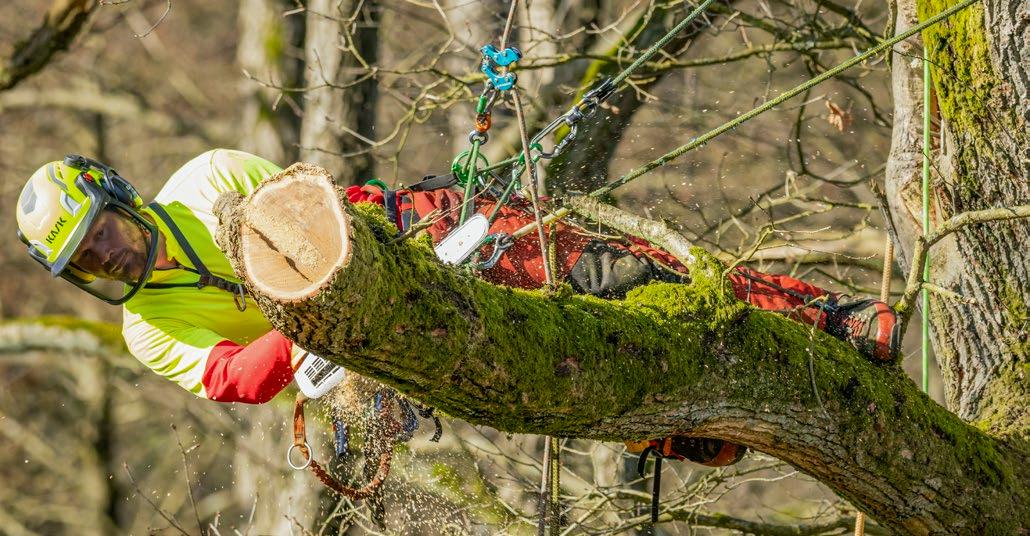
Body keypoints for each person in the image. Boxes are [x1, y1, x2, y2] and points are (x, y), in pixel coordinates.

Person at [15, 149, 899, 463]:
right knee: (567, 381)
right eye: (87, 260)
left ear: (121, 200)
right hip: (364, 358)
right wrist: (306, 342)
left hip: (406, 243)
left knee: (615, 274)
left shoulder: (208, 180)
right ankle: (705, 423)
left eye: (102, 234)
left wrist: (316, 298)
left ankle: (832, 319)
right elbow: (237, 380)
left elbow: (310, 220)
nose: (107, 257)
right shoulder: (146, 327)